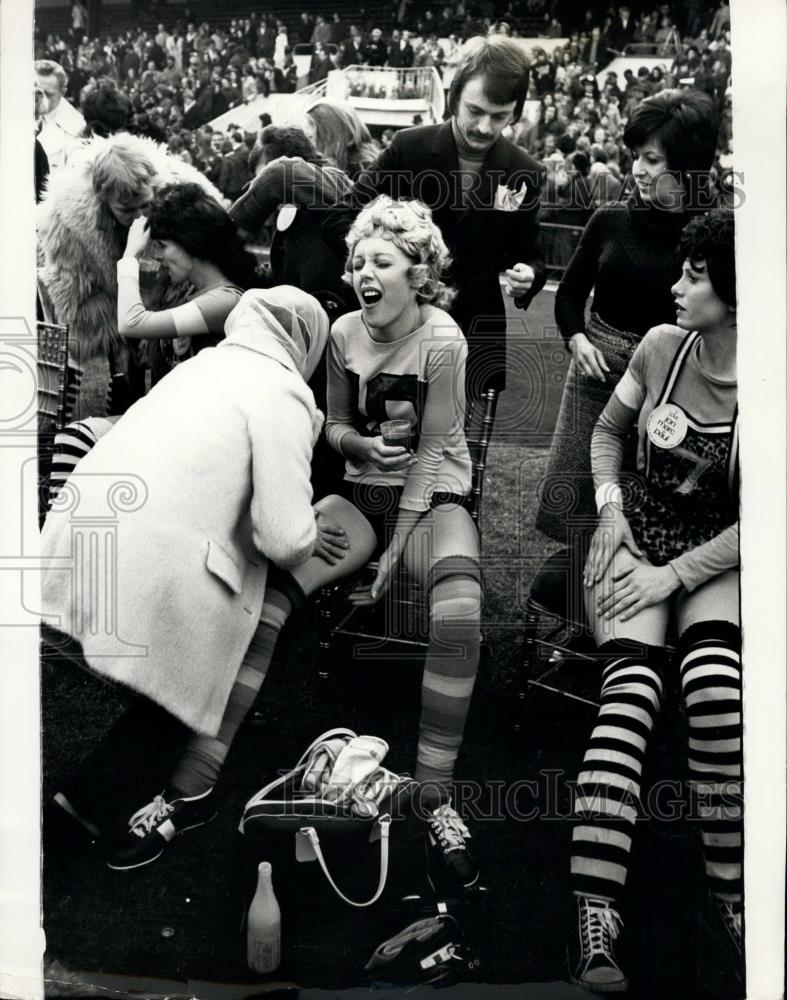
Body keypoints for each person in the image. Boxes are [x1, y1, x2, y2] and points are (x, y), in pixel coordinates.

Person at [92, 196, 483, 884]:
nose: (363, 271)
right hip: (364, 495)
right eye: (357, 260)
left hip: (433, 497)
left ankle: (432, 797)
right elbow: (333, 427)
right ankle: (193, 786)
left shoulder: (444, 339)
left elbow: (435, 453)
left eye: (381, 261)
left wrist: (395, 555)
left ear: (417, 274)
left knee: (459, 611)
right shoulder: (339, 333)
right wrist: (354, 440)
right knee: (265, 604)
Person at [41, 288, 338, 868]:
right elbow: (282, 537)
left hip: (76, 540)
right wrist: (309, 528)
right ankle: (78, 813)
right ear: (308, 346)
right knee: (190, 688)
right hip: (155, 568)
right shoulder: (285, 392)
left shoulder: (202, 365)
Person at [566, 208, 741, 992]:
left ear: (737, 291)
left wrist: (673, 579)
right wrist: (608, 506)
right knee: (630, 692)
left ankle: (730, 899)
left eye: (694, 274)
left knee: (711, 690)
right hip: (635, 527)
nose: (675, 286)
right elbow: (606, 434)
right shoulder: (661, 346)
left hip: (718, 548)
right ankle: (595, 914)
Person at [536, 89, 720, 544]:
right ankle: (570, 598)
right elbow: (570, 294)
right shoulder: (609, 218)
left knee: (646, 509)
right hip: (594, 375)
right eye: (636, 156)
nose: (637, 169)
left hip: (674, 384)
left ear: (686, 164)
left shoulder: (714, 230)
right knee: (576, 502)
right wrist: (576, 339)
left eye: (652, 160)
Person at [356, 34, 546, 401]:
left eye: (500, 116)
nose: (485, 128)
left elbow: (531, 253)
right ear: (454, 96)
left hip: (476, 326)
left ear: (516, 113)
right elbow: (348, 212)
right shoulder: (407, 147)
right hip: (400, 318)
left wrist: (529, 275)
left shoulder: (526, 172)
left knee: (462, 450)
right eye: (475, 111)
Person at [37, 132, 225, 415]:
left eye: (146, 206)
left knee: (172, 360)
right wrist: (128, 326)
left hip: (169, 294)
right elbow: (73, 301)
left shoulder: (183, 189)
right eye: (127, 209)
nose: (140, 217)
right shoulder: (67, 221)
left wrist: (158, 322)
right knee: (108, 358)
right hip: (105, 297)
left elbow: (213, 252)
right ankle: (73, 412)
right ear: (103, 200)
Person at [303, 98, 381, 182]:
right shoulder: (372, 162)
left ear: (329, 136)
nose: (309, 144)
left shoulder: (356, 170)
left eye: (310, 137)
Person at [34, 59, 86, 172]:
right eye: (36, 91)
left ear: (63, 91)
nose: (40, 98)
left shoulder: (76, 127)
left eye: (48, 94)